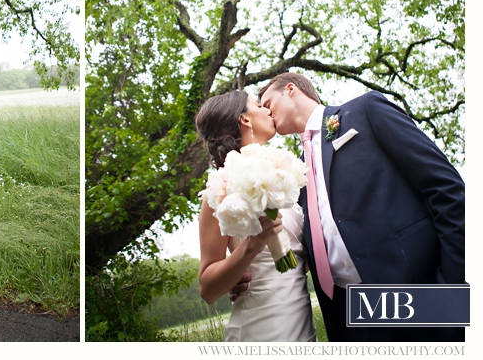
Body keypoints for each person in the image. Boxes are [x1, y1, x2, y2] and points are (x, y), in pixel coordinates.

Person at [243, 72, 465, 342]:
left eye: (267, 103)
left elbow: (446, 188)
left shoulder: (365, 111)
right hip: (350, 318)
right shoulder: (296, 170)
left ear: (290, 89)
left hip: (417, 292)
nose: (266, 113)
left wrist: (453, 289)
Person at [195, 90, 317, 342]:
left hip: (300, 318)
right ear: (245, 120)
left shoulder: (284, 174)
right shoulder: (219, 189)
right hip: (259, 326)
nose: (267, 110)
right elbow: (207, 289)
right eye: (259, 105)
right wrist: (250, 247)